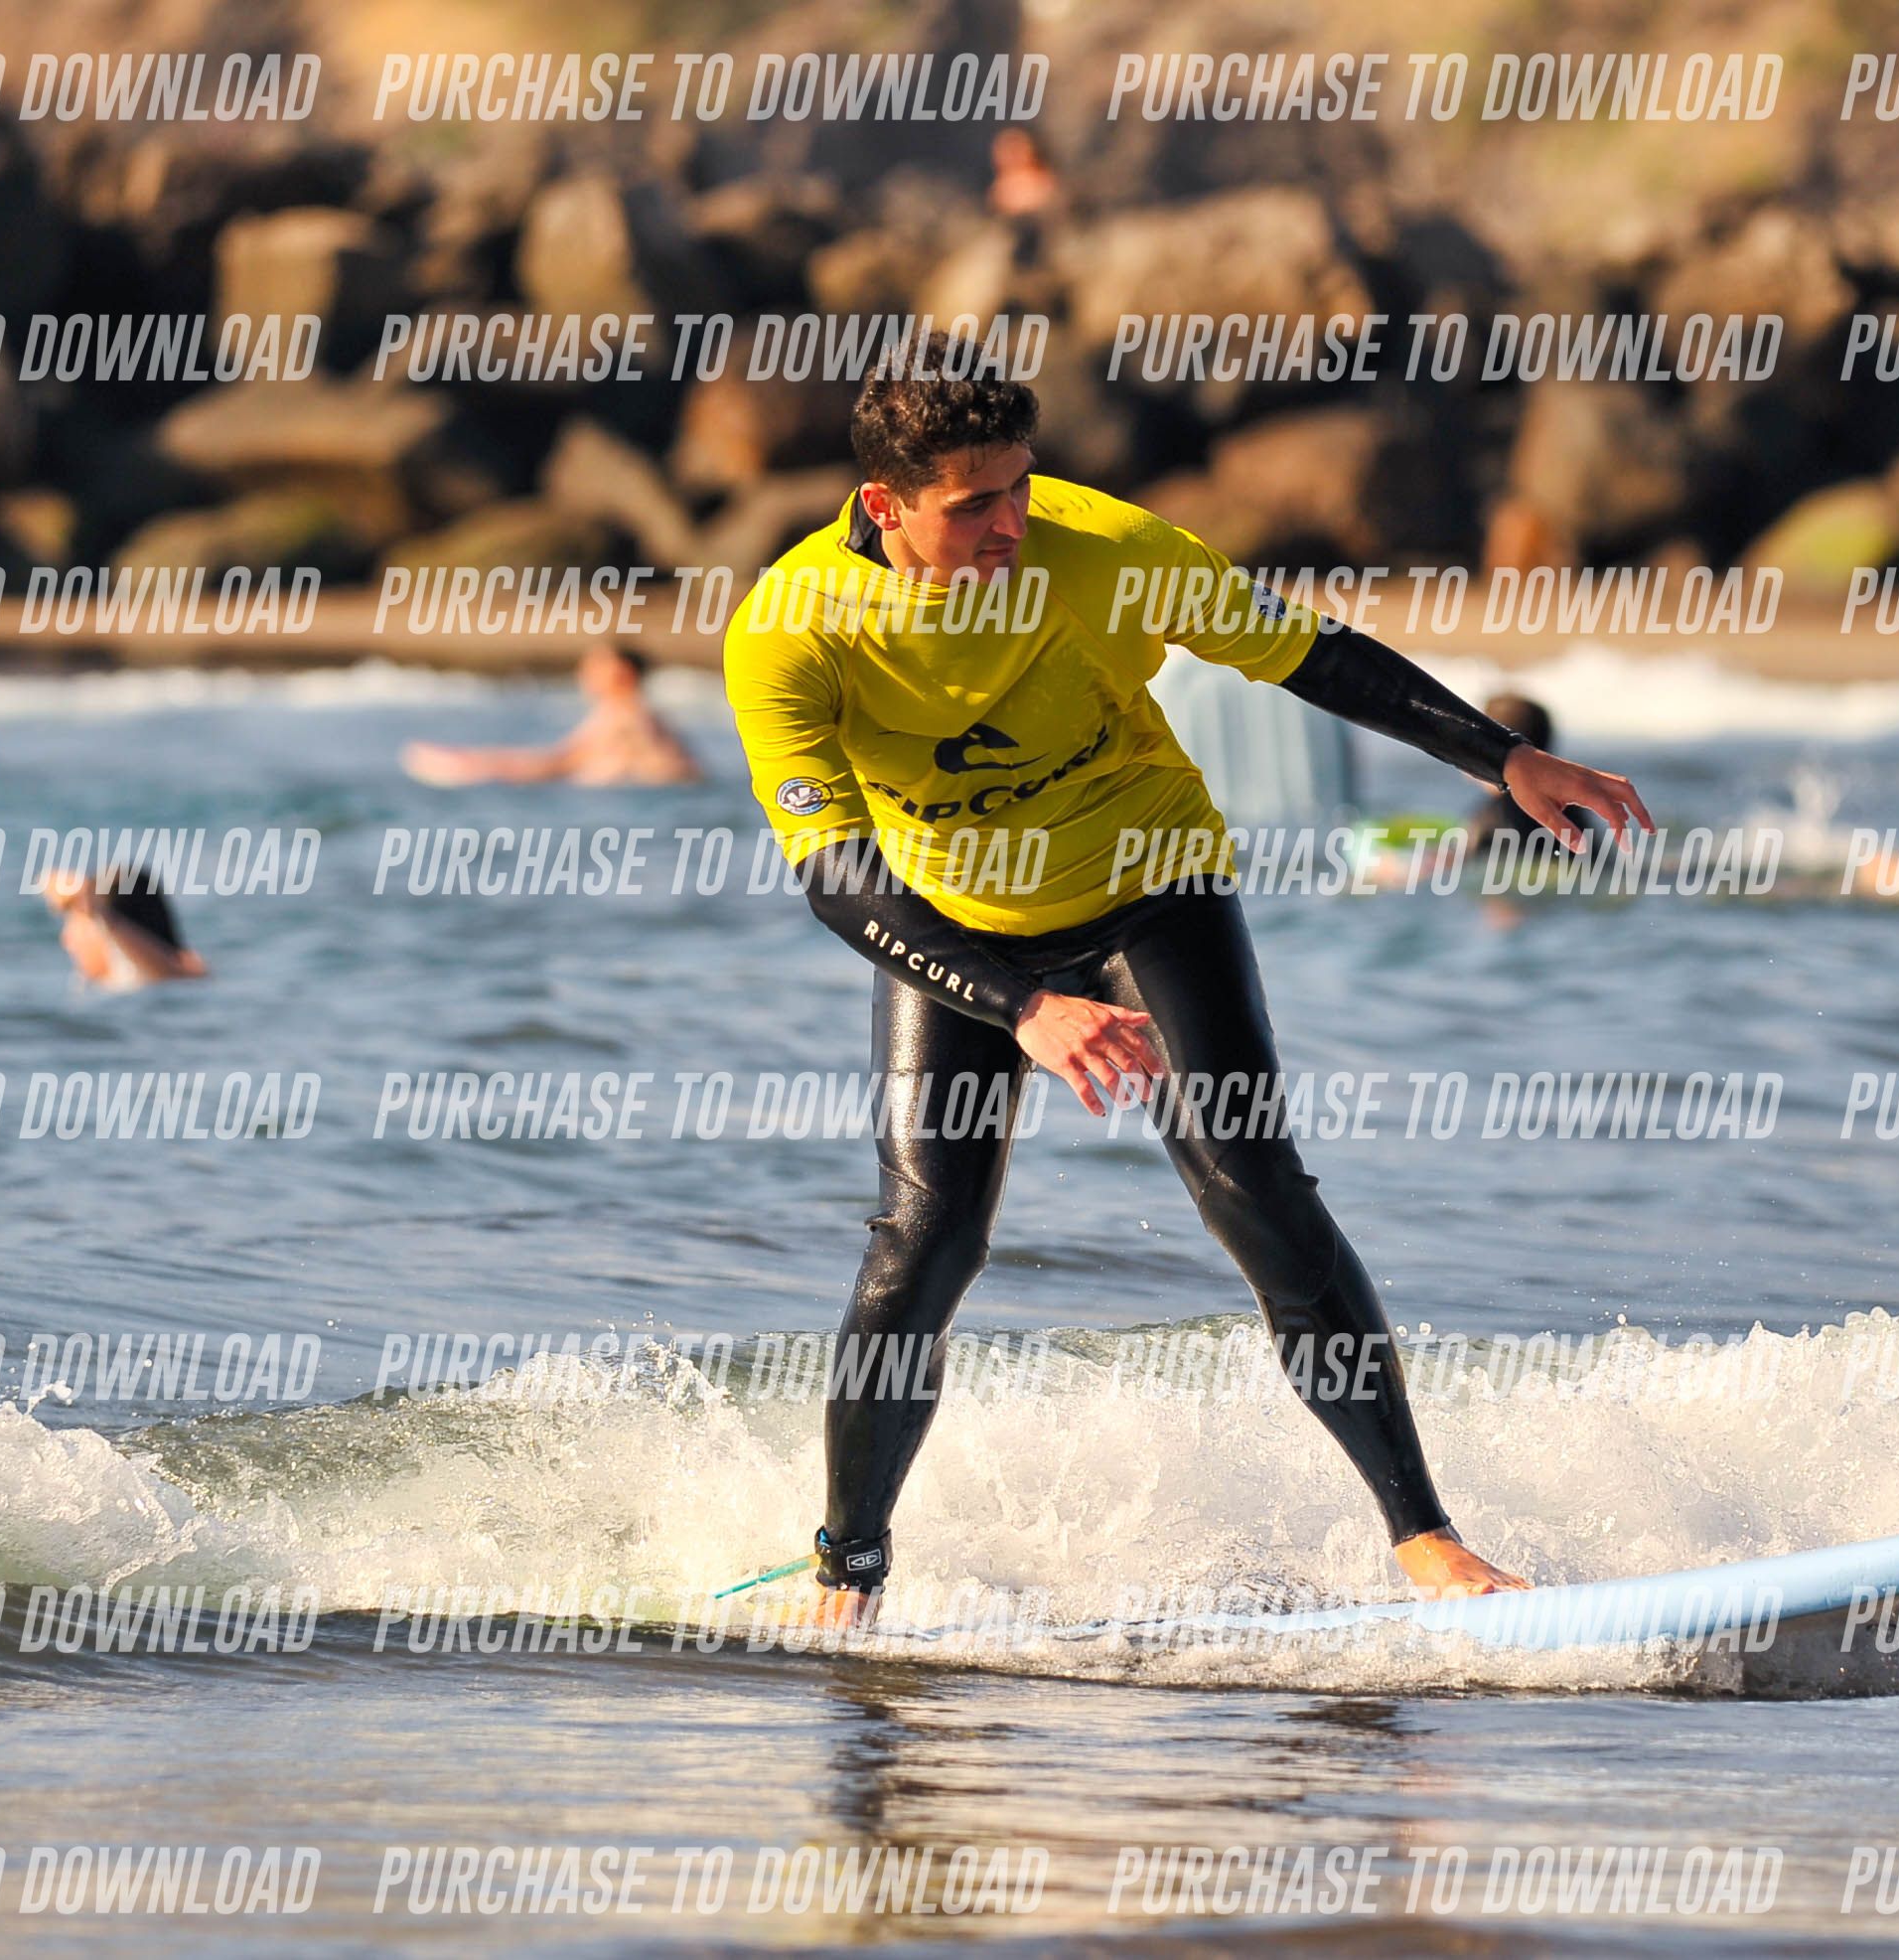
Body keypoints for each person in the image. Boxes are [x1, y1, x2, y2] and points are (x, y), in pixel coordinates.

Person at [724, 340, 1653, 1625]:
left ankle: (1425, 1537)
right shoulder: (791, 629)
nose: (1011, 523)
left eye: (1020, 486)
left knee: (1255, 1194)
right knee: (922, 1243)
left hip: (1149, 890)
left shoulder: (1104, 550)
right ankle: (849, 1569)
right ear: (882, 506)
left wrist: (1500, 759)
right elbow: (837, 879)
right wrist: (1024, 1008)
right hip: (958, 936)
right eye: (973, 504)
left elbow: (1308, 654)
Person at [402, 643, 702, 788]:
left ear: (622, 672)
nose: (584, 672)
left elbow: (558, 763)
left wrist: (477, 766)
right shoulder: (641, 712)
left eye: (595, 665)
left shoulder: (623, 715)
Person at [44, 864, 207, 987]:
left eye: (75, 922)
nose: (66, 940)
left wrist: (98, 910)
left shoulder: (161, 976)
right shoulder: (100, 986)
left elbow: (170, 975)